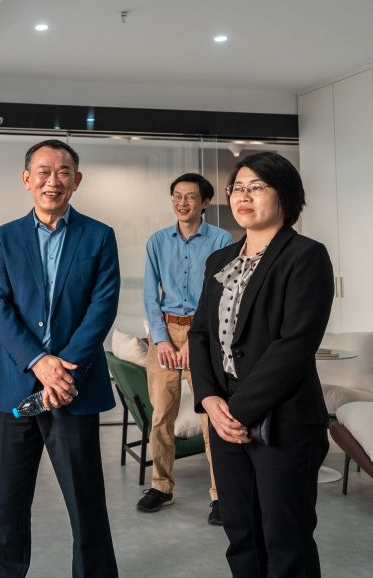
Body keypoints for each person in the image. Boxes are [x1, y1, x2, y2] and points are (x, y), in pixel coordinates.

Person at [0, 139, 120, 578]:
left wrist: (64, 369)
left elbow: (103, 306)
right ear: (26, 179)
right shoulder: (4, 237)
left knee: (85, 499)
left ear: (77, 180)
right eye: (43, 171)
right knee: (11, 500)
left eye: (62, 172)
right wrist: (39, 361)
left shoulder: (99, 236)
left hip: (75, 386)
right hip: (14, 383)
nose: (52, 181)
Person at [188, 151, 334, 577]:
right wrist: (210, 399)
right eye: (237, 188)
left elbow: (295, 345)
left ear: (284, 194)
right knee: (241, 533)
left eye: (256, 187)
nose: (243, 197)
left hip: (283, 418)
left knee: (285, 539)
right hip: (225, 414)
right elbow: (200, 334)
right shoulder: (220, 261)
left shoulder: (305, 256)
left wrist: (237, 410)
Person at [138, 173, 232, 523]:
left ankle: (221, 494)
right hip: (165, 332)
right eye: (177, 196)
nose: (182, 202)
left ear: (205, 202)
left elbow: (222, 295)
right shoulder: (157, 241)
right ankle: (161, 487)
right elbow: (150, 294)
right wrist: (161, 338)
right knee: (162, 416)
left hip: (203, 333)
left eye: (190, 197)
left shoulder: (222, 240)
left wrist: (196, 339)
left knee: (212, 416)